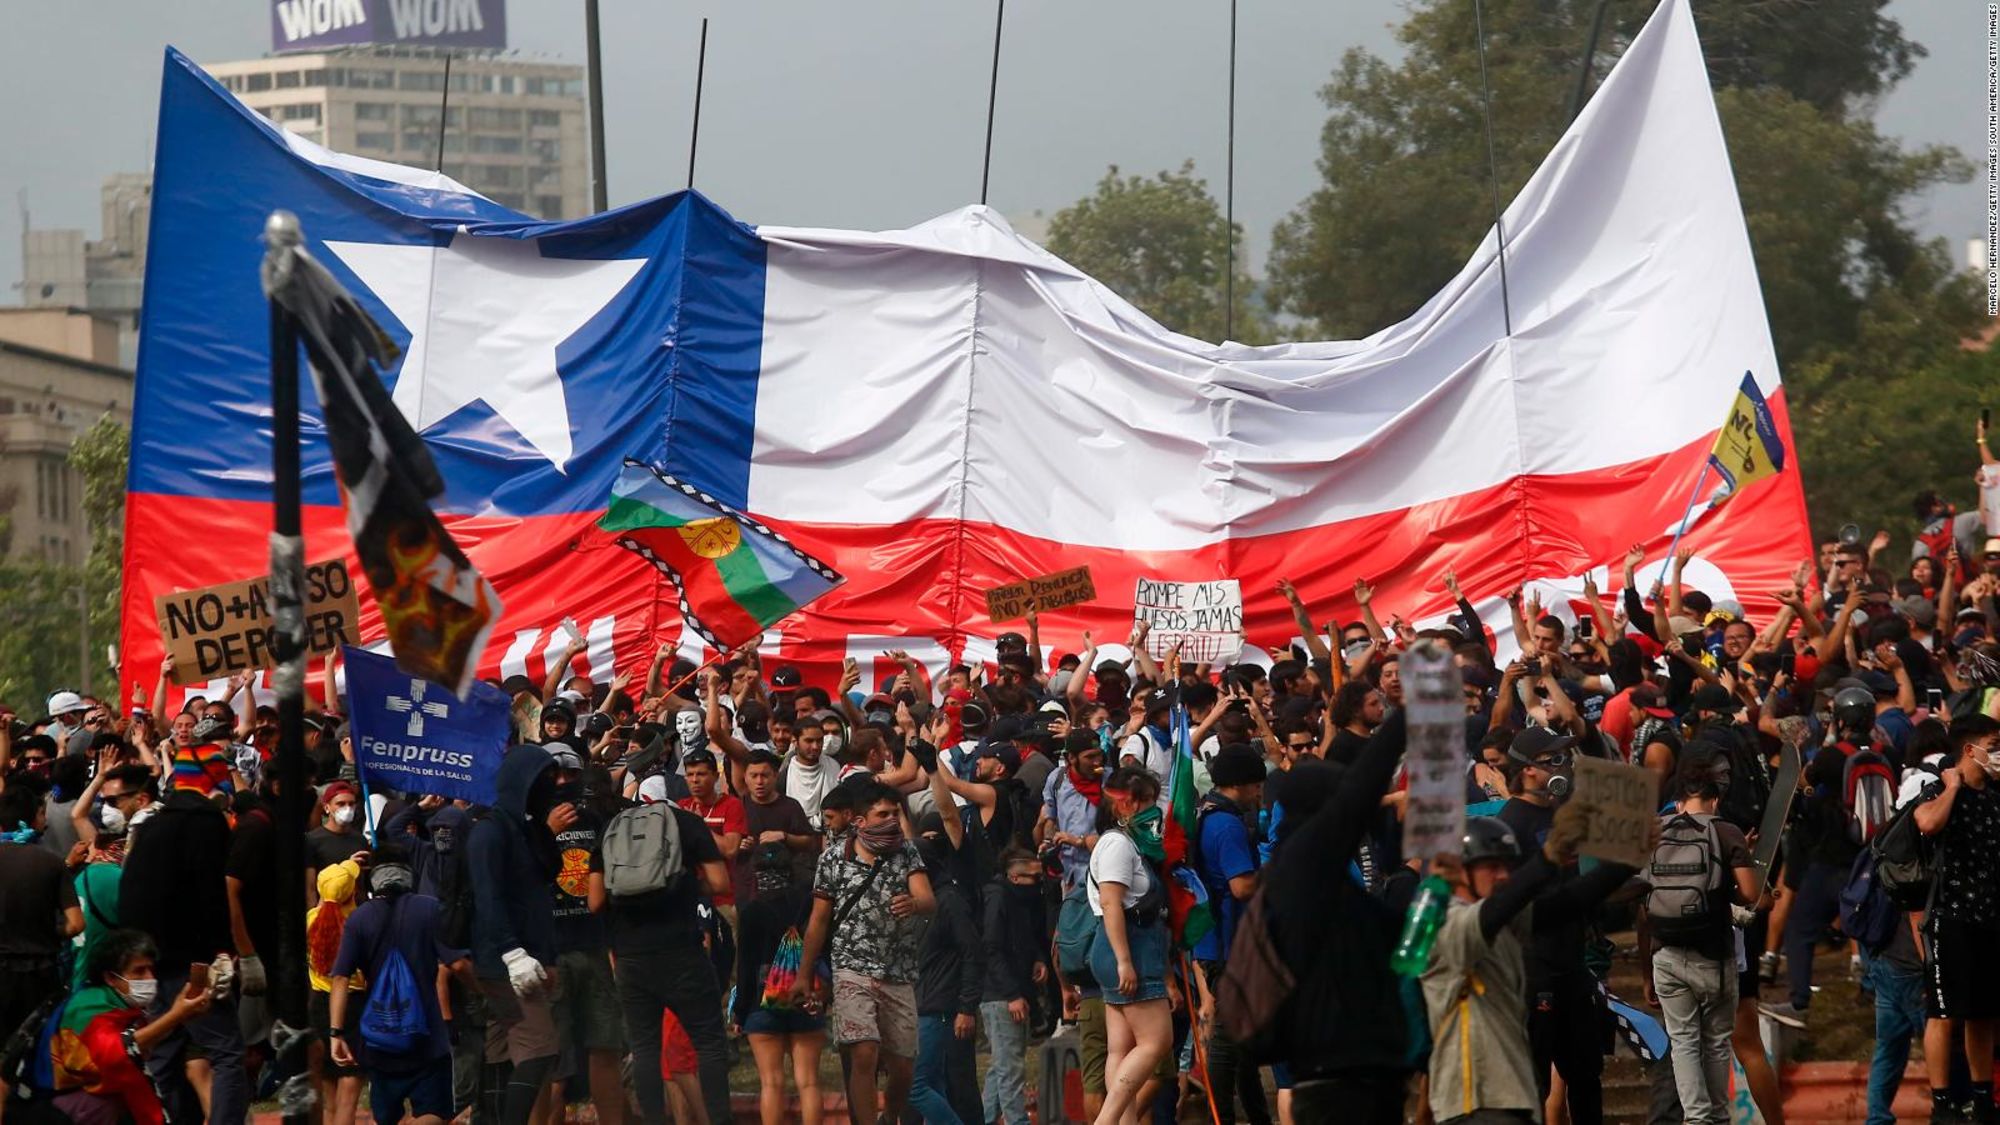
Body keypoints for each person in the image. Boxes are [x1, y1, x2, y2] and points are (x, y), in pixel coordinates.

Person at [1421, 805, 1637, 1125]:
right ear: (1458, 871)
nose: (1503, 875)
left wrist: (1631, 859)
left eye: (1507, 866)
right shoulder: (1446, 923)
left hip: (1512, 1099)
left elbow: (1568, 902)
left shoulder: (1505, 922)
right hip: (1474, 1102)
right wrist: (1548, 857)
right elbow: (1497, 909)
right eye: (1491, 866)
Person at [118, 723, 246, 1125]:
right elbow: (210, 896)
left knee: (165, 1053)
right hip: (191, 959)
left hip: (147, 958)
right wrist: (220, 952)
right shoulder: (205, 826)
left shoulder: (151, 825)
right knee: (225, 1052)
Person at [587, 782, 733, 1125]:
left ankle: (654, 1118)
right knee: (709, 1045)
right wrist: (682, 887)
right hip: (682, 952)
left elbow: (594, 901)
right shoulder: (687, 823)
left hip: (630, 958)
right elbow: (720, 883)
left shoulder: (614, 827)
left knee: (645, 1048)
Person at [793, 779, 936, 1125]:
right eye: (882, 814)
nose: (891, 820)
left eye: (895, 813)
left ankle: (891, 1115)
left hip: (898, 971)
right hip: (851, 969)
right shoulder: (833, 858)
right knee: (864, 1051)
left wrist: (914, 903)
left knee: (902, 1064)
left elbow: (929, 900)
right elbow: (819, 920)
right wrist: (804, 974)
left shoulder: (907, 852)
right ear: (859, 821)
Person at [1642, 767, 1760, 1125]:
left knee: (1683, 1043)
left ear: (1678, 802)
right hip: (1714, 955)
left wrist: (1645, 968)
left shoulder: (1655, 831)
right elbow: (1751, 894)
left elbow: (1640, 899)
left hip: (1665, 953)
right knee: (1716, 1042)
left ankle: (1696, 1119)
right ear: (1715, 800)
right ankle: (1719, 1118)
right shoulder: (1726, 831)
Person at [327, 846, 473, 1125]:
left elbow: (341, 977)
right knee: (435, 1114)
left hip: (379, 1039)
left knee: (386, 1116)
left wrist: (336, 1032)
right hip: (427, 1037)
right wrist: (484, 989)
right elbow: (456, 964)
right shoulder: (429, 908)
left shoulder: (359, 918)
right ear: (409, 872)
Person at [465, 745, 565, 1125]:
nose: (549, 791)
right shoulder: (490, 833)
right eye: (541, 783)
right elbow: (488, 899)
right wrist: (514, 954)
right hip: (505, 960)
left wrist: (540, 827)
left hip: (521, 956)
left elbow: (543, 879)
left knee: (503, 1052)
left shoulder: (524, 830)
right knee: (539, 1049)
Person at [1914, 715, 2000, 1123]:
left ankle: (1984, 1098)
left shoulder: (1996, 794)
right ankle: (1943, 1102)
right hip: (1951, 918)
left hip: (1990, 919)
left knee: (1983, 1015)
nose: (1998, 752)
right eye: (1994, 743)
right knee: (1944, 1014)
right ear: (1970, 749)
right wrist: (1951, 788)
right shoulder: (1940, 788)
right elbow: (1927, 823)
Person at [44, 929, 213, 1125]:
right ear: (110, 977)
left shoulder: (122, 1005)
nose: (149, 978)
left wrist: (184, 1015)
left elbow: (139, 1044)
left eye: (151, 969)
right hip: (76, 1104)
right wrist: (176, 1015)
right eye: (139, 971)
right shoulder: (89, 1007)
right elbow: (120, 1050)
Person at [543, 744, 627, 1125]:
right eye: (554, 773)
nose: (562, 782)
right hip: (549, 953)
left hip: (595, 947)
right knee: (552, 1064)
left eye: (570, 774)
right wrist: (546, 833)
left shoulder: (598, 820)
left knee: (604, 1047)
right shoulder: (526, 821)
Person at [1086, 766, 1172, 1125]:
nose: (1155, 809)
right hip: (1127, 948)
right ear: (1127, 805)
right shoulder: (1117, 845)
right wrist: (1124, 960)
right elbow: (1110, 903)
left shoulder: (1124, 844)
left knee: (1120, 1048)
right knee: (1156, 1041)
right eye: (1148, 801)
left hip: (1122, 948)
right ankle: (1108, 1120)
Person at [1192, 748, 1270, 1125]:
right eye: (1256, 784)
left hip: (1216, 940)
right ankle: (1219, 1115)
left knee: (1242, 1040)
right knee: (1225, 1039)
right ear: (1240, 783)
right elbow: (1241, 886)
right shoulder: (1227, 824)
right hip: (1227, 943)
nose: (1259, 792)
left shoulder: (1208, 813)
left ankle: (1256, 1115)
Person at [732, 844, 828, 1125]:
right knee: (809, 1082)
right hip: (806, 994)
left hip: (763, 1002)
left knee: (771, 1083)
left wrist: (740, 1011)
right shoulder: (808, 904)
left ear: (756, 873)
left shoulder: (751, 911)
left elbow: (746, 967)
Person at [0, 782, 82, 1107]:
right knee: (34, 1058)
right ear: (35, 817)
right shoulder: (50, 863)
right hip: (40, 978)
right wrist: (47, 932)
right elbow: (76, 923)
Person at [980, 847, 1049, 1125]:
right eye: (1034, 878)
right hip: (1002, 996)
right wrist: (1011, 994)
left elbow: (1020, 938)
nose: (1039, 884)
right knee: (1010, 1071)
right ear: (1015, 877)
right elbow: (992, 948)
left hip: (1009, 993)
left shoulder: (1016, 900)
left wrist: (1036, 959)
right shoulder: (998, 898)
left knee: (1001, 1070)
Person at [308, 857, 368, 1125]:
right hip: (353, 1008)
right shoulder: (359, 923)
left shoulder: (311, 920)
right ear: (352, 892)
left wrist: (343, 869)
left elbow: (327, 901)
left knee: (329, 1098)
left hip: (319, 1006)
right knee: (349, 1095)